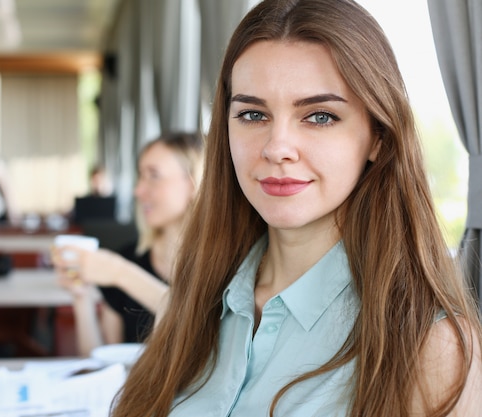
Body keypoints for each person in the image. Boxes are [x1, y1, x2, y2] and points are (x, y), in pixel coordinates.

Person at [110, 1, 482, 416]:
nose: (277, 148)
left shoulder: (433, 347)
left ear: (378, 136)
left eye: (320, 116)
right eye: (252, 114)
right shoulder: (193, 306)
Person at [52, 132, 203, 356]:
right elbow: (102, 362)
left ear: (194, 184)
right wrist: (81, 296)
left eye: (154, 175)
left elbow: (204, 330)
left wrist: (120, 273)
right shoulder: (128, 258)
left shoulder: (226, 265)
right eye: (140, 176)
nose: (138, 190)